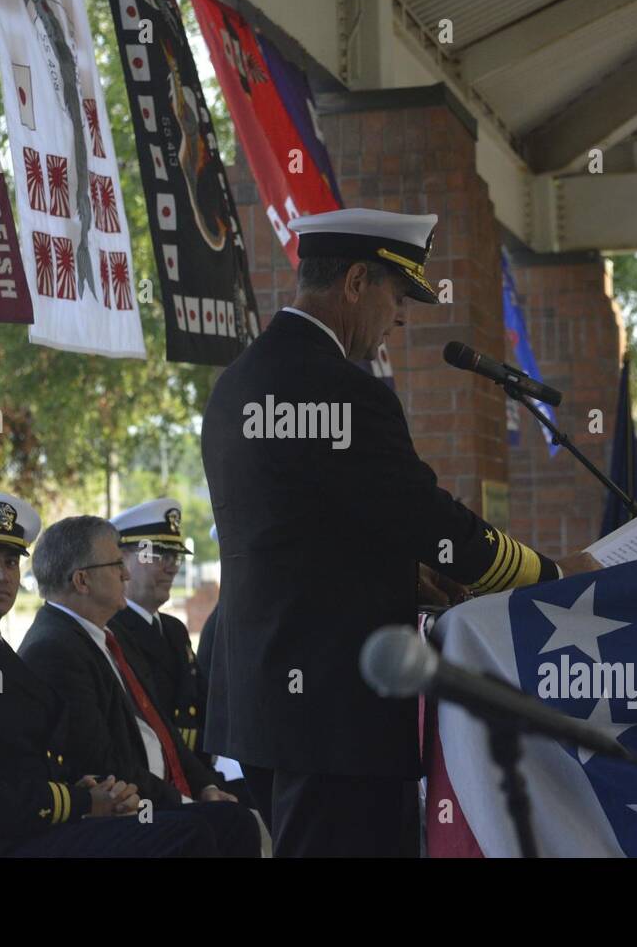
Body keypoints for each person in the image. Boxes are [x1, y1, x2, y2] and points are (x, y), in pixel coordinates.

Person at [200, 207, 600, 857]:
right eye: (396, 295)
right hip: (336, 706)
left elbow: (303, 524)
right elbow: (423, 516)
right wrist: (550, 576)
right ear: (356, 281)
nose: (402, 316)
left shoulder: (238, 381)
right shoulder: (342, 389)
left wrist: (405, 570)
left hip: (265, 697)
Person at [0, 493, 219, 857]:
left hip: (36, 830)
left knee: (219, 823)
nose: (0, 575)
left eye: (11, 562)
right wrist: (81, 801)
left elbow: (35, 761)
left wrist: (92, 790)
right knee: (190, 834)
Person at [17, 516, 260, 857]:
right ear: (82, 580)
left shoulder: (106, 635)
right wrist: (183, 801)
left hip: (159, 792)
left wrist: (204, 785)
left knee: (234, 816)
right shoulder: (54, 649)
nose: (126, 574)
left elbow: (164, 732)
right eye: (117, 564)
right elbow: (102, 762)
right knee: (209, 826)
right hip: (127, 806)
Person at [107, 498, 208, 757]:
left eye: (174, 556)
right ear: (121, 559)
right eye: (159, 555)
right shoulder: (110, 631)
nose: (172, 567)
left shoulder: (174, 630)